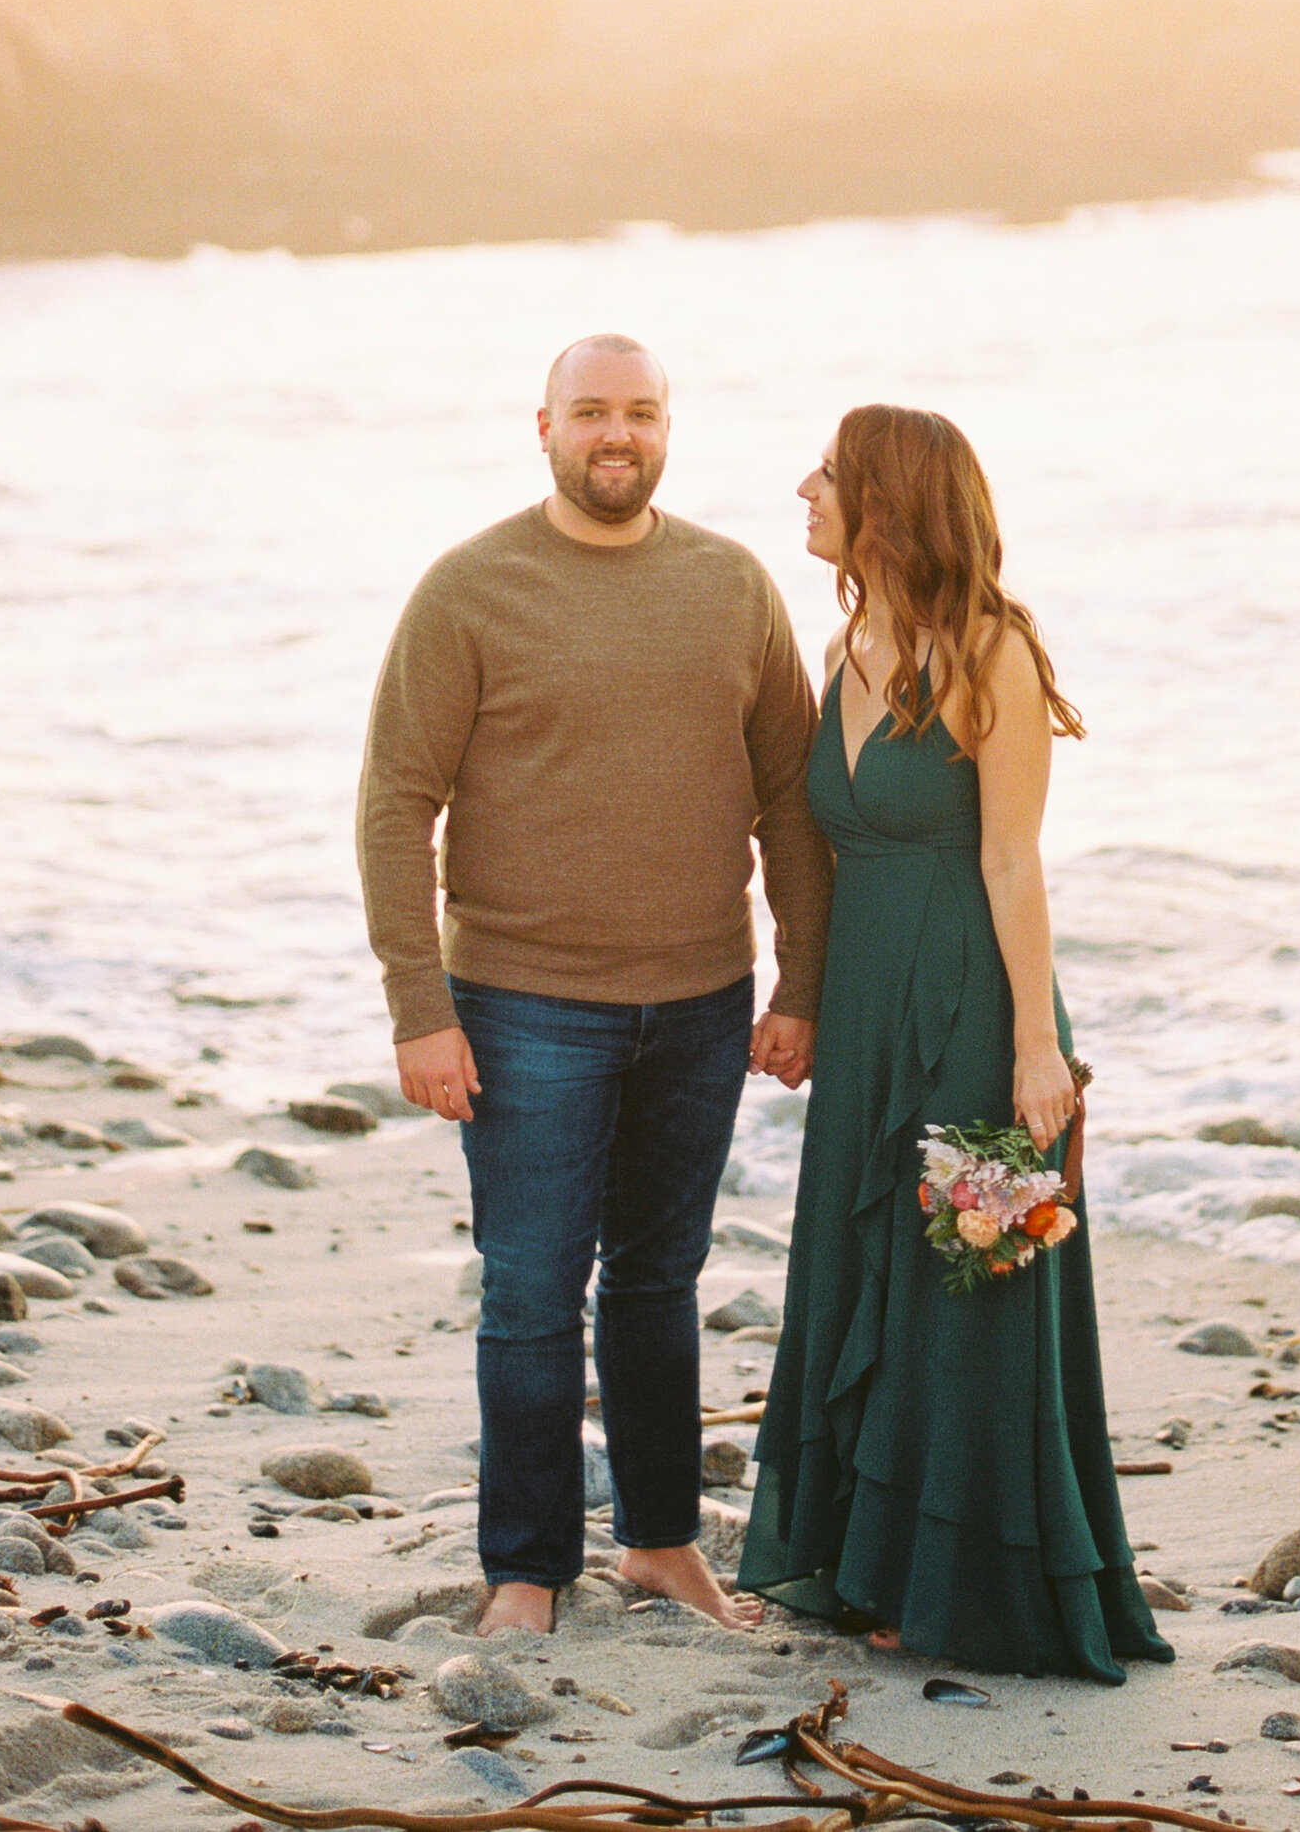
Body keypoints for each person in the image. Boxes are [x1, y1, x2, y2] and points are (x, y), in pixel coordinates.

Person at [355, 334, 831, 1638]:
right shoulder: (469, 588)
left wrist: (801, 980)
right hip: (521, 1000)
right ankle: (525, 1568)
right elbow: (396, 803)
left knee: (660, 1281)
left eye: (640, 411)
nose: (615, 433)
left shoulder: (733, 585)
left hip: (702, 997)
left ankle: (663, 1544)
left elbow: (792, 798)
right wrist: (419, 1006)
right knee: (529, 1292)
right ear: (546, 426)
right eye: (591, 412)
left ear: (669, 425)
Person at [737, 404, 1172, 1683]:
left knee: (971, 1290)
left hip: (979, 1016)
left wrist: (1038, 1049)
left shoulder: (996, 652)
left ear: (888, 502)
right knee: (861, 1266)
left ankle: (966, 1583)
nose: (804, 486)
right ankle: (867, 1561)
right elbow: (815, 842)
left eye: (830, 470)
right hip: (868, 1017)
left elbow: (1010, 860)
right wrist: (800, 994)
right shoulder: (846, 639)